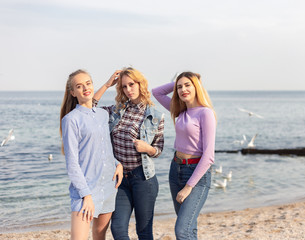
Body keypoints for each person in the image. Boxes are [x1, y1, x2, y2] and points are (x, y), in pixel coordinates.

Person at [93, 67, 165, 240]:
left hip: (143, 179)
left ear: (140, 84)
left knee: (144, 232)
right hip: (119, 179)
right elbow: (89, 108)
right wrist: (107, 84)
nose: (128, 90)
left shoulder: (155, 115)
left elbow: (158, 149)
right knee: (117, 228)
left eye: (131, 84)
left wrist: (147, 148)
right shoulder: (116, 111)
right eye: (124, 87)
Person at [60, 69, 123, 240]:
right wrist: (86, 195)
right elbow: (72, 163)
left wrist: (118, 163)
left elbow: (104, 149)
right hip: (85, 191)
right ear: (73, 92)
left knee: (99, 236)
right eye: (79, 86)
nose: (85, 88)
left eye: (88, 83)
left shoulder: (102, 114)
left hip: (108, 187)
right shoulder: (71, 120)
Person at [152, 71, 216, 239]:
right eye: (179, 87)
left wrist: (189, 187)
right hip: (176, 170)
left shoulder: (205, 113)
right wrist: (178, 83)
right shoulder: (180, 111)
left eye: (188, 85)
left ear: (197, 87)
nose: (182, 89)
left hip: (196, 175)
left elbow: (209, 156)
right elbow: (156, 92)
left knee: (182, 229)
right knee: (189, 227)